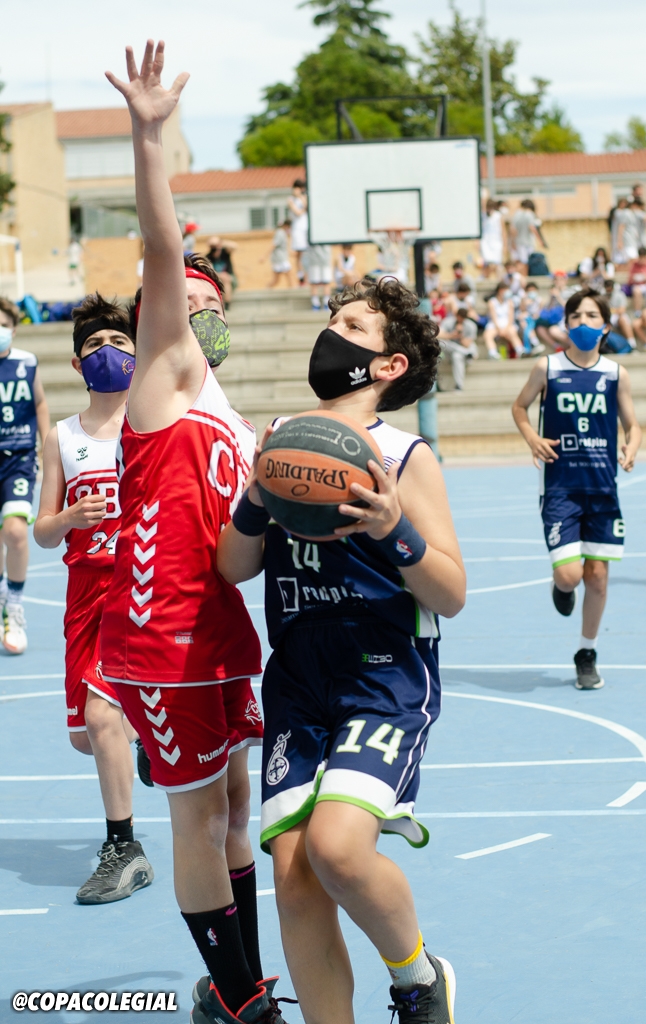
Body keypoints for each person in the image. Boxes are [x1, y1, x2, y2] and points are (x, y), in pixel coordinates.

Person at [218, 275, 466, 1024]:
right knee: (294, 877)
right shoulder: (280, 440)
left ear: (390, 365)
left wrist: (394, 529)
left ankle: (418, 978)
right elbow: (232, 566)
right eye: (332, 320)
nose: (333, 332)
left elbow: (450, 592)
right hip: (298, 675)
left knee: (338, 848)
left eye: (353, 325)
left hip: (382, 674)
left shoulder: (405, 454)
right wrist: (256, 498)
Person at [101, 41, 283, 1024]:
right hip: (160, 636)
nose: (199, 311)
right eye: (186, 300)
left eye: (214, 303)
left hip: (218, 632)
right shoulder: (163, 375)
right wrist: (149, 135)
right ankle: (245, 996)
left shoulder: (231, 417)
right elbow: (162, 245)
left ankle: (234, 981)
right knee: (199, 813)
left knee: (237, 806)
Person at [34, 294, 154, 905]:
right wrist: (69, 517)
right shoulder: (62, 436)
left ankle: (123, 846)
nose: (107, 352)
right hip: (85, 593)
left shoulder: (153, 426)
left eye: (120, 342)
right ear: (78, 364)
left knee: (104, 718)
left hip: (139, 587)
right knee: (88, 735)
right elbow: (42, 531)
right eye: (94, 345)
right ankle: (146, 736)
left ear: (139, 355)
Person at [512, 288, 642, 689]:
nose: (583, 322)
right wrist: (532, 437)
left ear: (605, 326)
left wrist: (631, 446)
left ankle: (587, 652)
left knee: (598, 578)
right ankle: (560, 585)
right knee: (571, 577)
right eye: (576, 316)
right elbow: (519, 407)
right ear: (566, 325)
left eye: (591, 315)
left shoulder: (616, 374)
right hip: (561, 487)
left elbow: (632, 424)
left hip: (602, 487)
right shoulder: (547, 367)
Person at [0, 296, 50, 654]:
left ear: (14, 329)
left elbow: (40, 403)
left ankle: (14, 606)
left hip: (18, 458)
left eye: (3, 325)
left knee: (16, 531)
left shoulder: (26, 362)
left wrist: (48, 444)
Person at [439, 306, 478, 389]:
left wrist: (460, 336)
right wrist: (451, 336)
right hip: (452, 351)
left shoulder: (471, 325)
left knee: (456, 356)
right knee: (440, 343)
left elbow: (467, 344)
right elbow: (439, 336)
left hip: (462, 352)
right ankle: (466, 353)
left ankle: (459, 385)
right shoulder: (447, 322)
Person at [483, 281, 524, 359]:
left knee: (512, 332)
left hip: (507, 325)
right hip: (495, 325)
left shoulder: (510, 301)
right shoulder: (492, 302)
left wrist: (506, 328)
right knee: (487, 335)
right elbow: (493, 317)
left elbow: (511, 317)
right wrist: (499, 329)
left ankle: (520, 351)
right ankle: (493, 353)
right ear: (500, 290)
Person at [510, 199, 547, 274]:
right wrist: (541, 240)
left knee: (520, 262)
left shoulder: (517, 214)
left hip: (518, 242)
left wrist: (513, 242)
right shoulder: (529, 214)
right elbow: (532, 227)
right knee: (526, 263)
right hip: (527, 243)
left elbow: (513, 229)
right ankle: (521, 276)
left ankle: (517, 275)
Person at [602, 278, 635, 349]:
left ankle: (632, 343)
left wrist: (612, 311)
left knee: (623, 319)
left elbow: (622, 310)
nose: (608, 289)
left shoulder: (620, 295)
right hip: (607, 317)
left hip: (617, 316)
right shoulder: (602, 296)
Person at [287, 179, 308, 285]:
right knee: (299, 254)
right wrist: (304, 206)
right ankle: (301, 277)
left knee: (306, 254)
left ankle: (307, 276)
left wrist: (302, 198)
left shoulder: (303, 198)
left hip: (306, 229)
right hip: (297, 230)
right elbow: (298, 212)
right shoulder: (291, 199)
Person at [261, 220, 292, 289]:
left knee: (276, 280)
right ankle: (293, 291)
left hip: (280, 258)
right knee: (289, 276)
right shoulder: (280, 233)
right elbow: (273, 245)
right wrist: (264, 256)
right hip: (280, 259)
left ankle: (267, 289)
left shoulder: (282, 233)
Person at [206, 236, 237, 307]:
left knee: (226, 279)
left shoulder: (225, 253)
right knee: (223, 278)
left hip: (230, 277)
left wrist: (221, 243)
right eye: (213, 246)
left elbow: (235, 246)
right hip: (217, 278)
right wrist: (220, 275)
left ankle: (227, 303)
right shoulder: (208, 257)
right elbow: (211, 271)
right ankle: (226, 303)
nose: (215, 248)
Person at [479, 198, 505, 277]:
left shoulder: (498, 216)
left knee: (497, 264)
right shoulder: (483, 216)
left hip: (496, 242)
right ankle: (485, 278)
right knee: (486, 264)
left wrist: (505, 245)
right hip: (485, 242)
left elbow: (503, 231)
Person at [306, 244, 333, 311]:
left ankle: (326, 303)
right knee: (314, 282)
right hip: (314, 260)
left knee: (326, 282)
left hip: (325, 260)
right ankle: (315, 304)